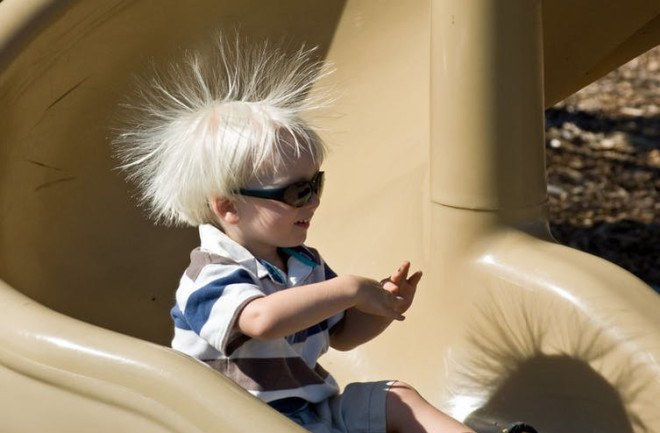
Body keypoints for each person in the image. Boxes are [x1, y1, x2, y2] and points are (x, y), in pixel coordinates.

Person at [114, 35, 475, 433]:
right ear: (228, 207)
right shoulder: (210, 274)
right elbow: (261, 319)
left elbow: (342, 336)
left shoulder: (304, 263)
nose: (313, 202)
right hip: (234, 422)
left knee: (395, 397)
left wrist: (382, 310)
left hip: (310, 414)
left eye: (315, 185)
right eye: (296, 192)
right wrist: (352, 288)